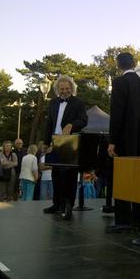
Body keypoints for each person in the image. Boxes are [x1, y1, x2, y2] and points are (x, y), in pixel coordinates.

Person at [107, 52, 140, 233]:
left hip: (125, 140)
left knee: (123, 179)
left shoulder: (119, 83)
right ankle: (138, 219)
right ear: (134, 64)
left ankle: (123, 220)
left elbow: (117, 114)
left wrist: (112, 141)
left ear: (119, 65)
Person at [43, 75, 88, 220]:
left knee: (69, 175)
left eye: (67, 88)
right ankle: (56, 204)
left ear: (72, 89)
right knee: (56, 174)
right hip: (55, 142)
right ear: (57, 89)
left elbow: (83, 120)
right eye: (62, 89)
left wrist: (71, 125)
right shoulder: (53, 103)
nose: (64, 91)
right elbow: (49, 123)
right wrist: (45, 142)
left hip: (69, 143)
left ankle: (68, 205)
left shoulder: (78, 103)